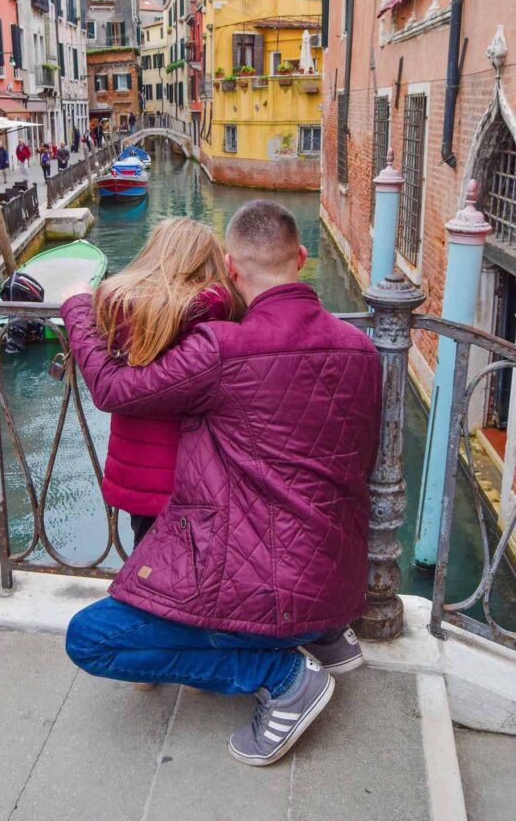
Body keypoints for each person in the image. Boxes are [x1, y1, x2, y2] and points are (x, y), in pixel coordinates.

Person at [60, 200, 382, 767]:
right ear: (302, 259)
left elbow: (113, 390)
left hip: (267, 590)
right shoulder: (361, 349)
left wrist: (79, 311)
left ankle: (281, 675)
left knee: (91, 639)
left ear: (230, 267)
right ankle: (325, 636)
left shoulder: (220, 349)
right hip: (337, 583)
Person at [93, 218, 239, 548]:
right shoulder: (224, 314)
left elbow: (111, 386)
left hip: (141, 480)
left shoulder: (121, 314)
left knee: (149, 571)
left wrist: (76, 304)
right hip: (205, 480)